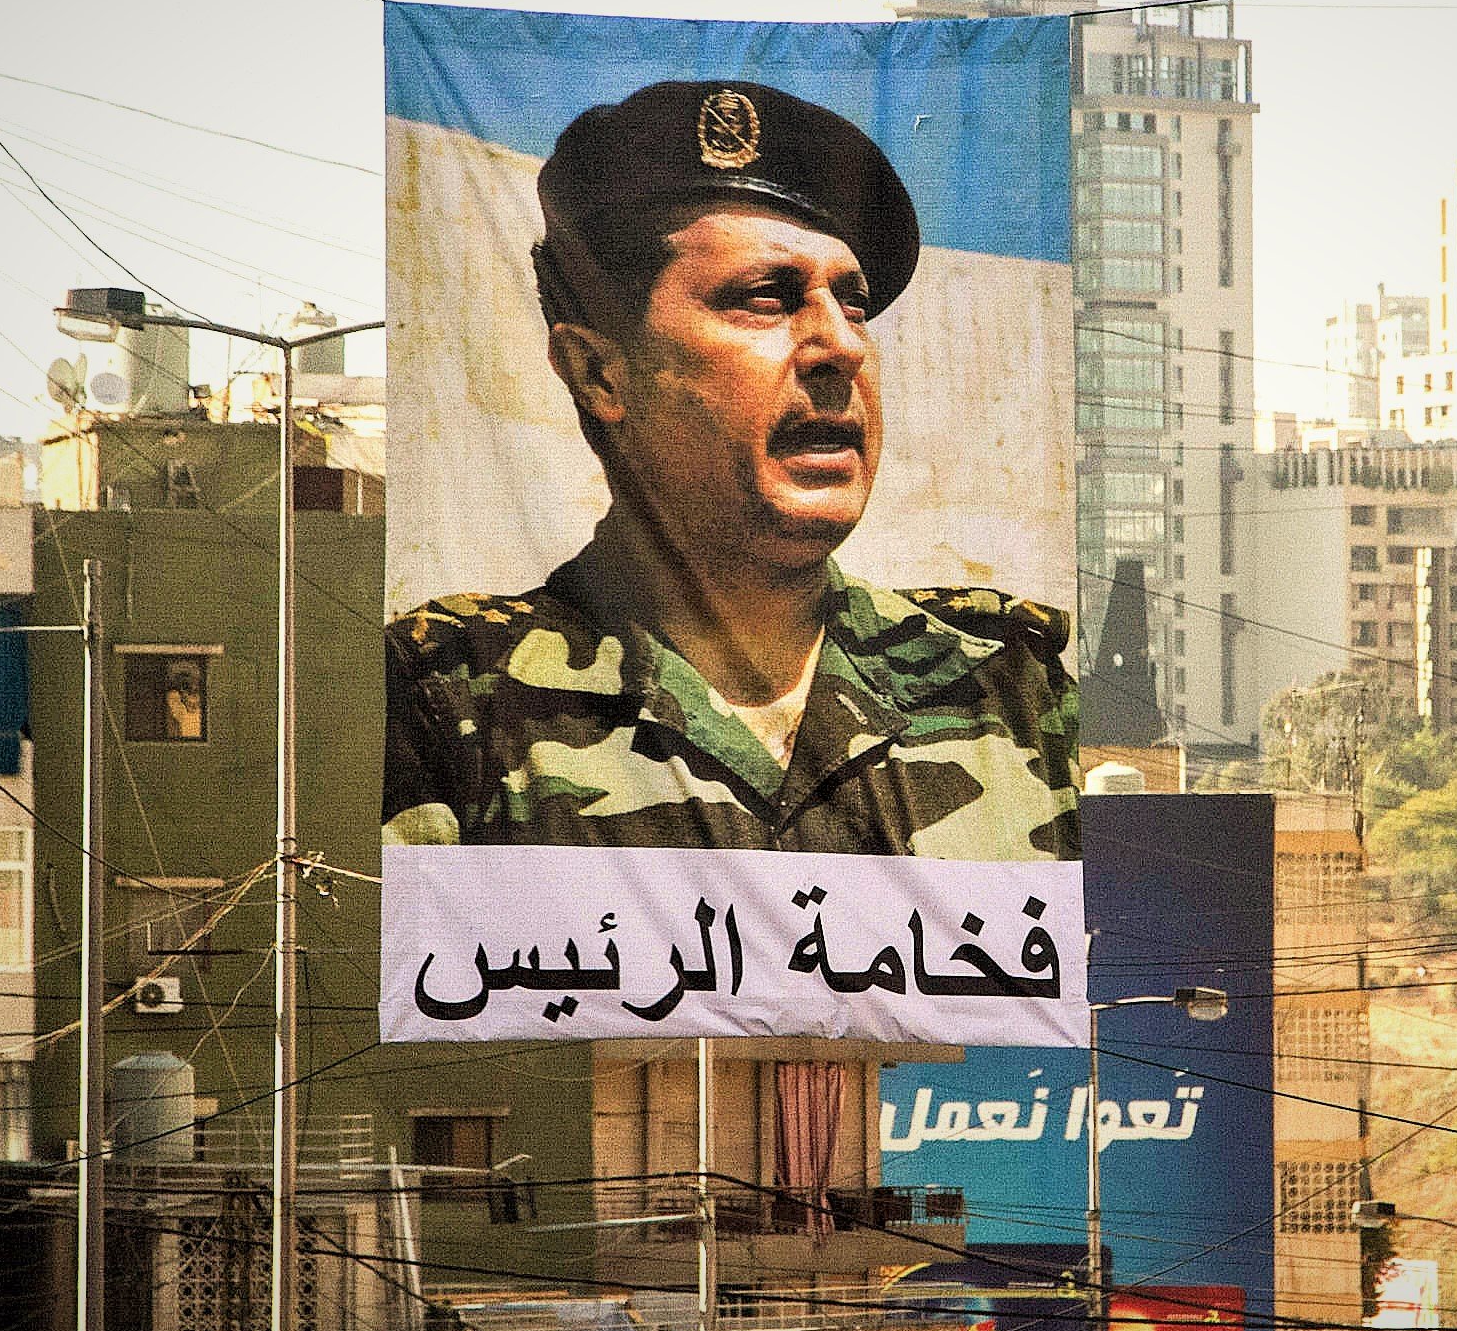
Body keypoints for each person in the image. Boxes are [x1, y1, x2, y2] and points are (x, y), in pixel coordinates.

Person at [384, 79, 1077, 860]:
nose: (843, 345)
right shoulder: (449, 706)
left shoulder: (1012, 693)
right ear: (599, 374)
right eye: (766, 298)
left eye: (852, 304)